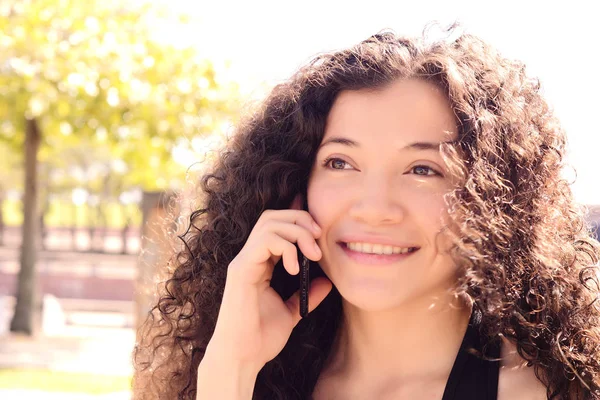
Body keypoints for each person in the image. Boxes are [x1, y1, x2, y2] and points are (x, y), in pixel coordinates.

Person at [132, 27, 600, 399]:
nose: (375, 208)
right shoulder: (249, 375)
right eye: (340, 162)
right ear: (296, 187)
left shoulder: (544, 391)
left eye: (422, 169)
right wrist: (231, 366)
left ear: (492, 201)